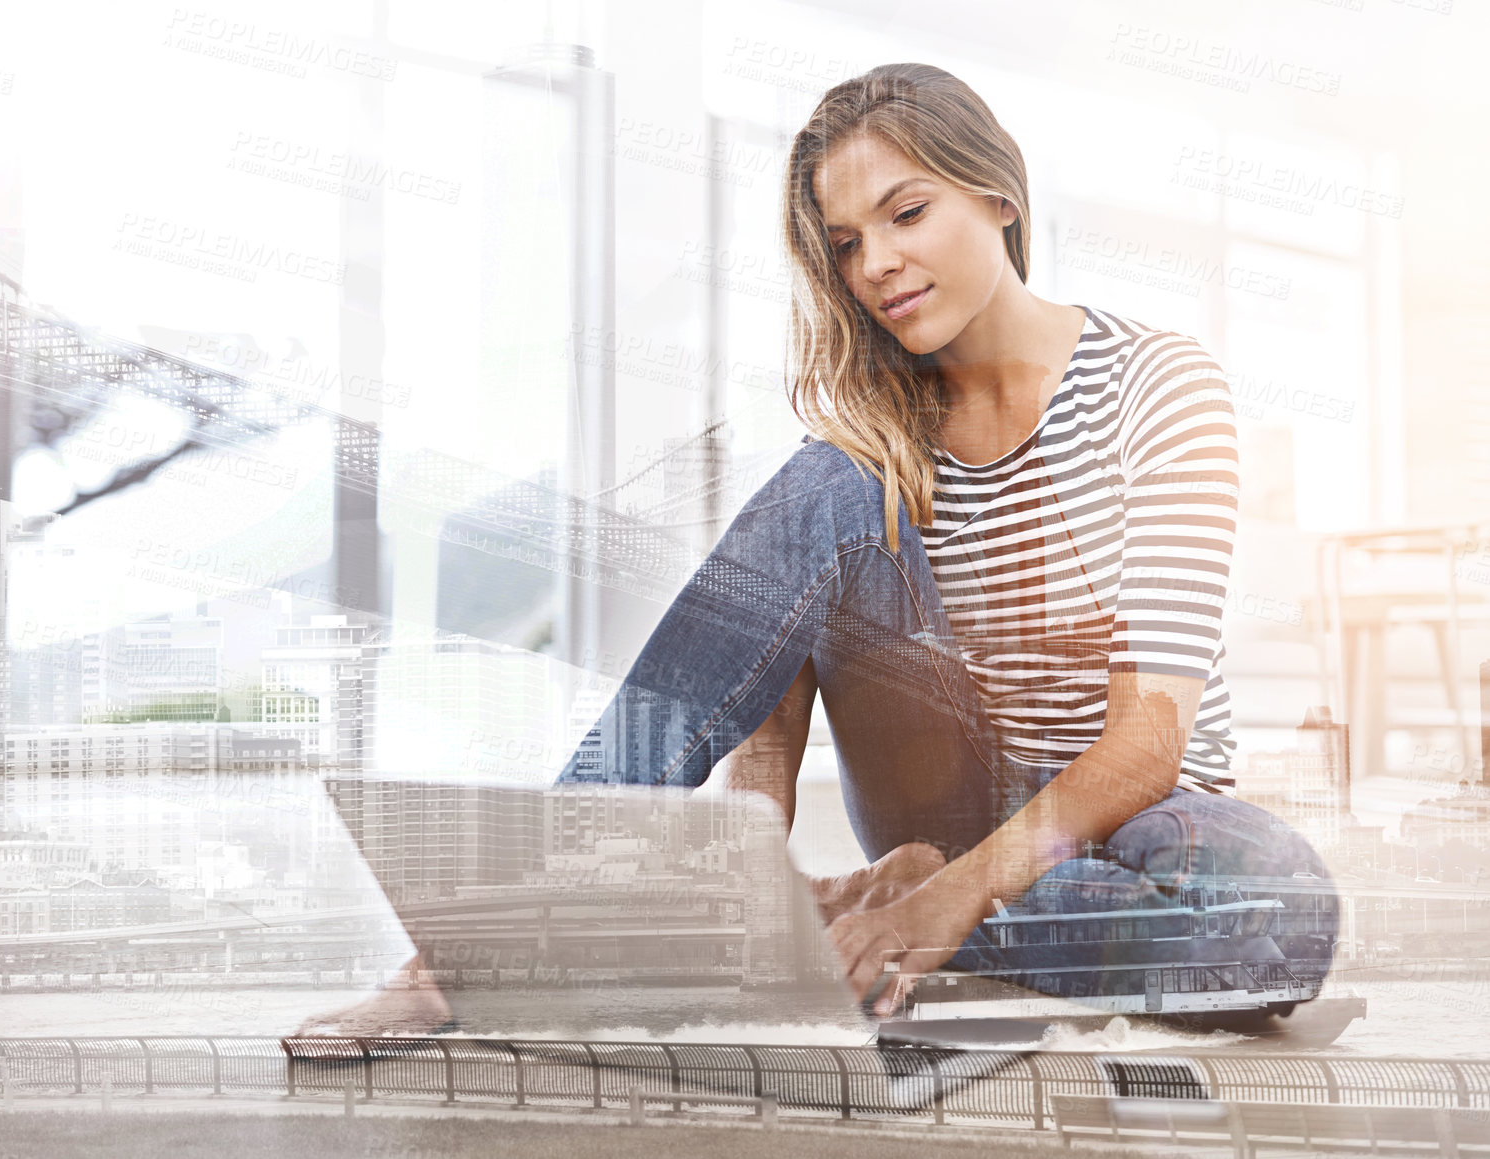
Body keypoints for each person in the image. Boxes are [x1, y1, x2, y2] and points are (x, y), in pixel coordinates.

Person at [556, 62, 1338, 1015]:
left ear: (997, 194)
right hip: (945, 789)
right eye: (845, 243)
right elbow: (774, 680)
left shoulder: (1158, 384)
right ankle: (520, 902)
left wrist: (946, 896)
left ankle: (904, 908)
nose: (874, 262)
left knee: (1277, 916)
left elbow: (1145, 745)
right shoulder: (862, 441)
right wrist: (750, 864)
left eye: (907, 213)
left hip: (1142, 813)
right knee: (828, 477)